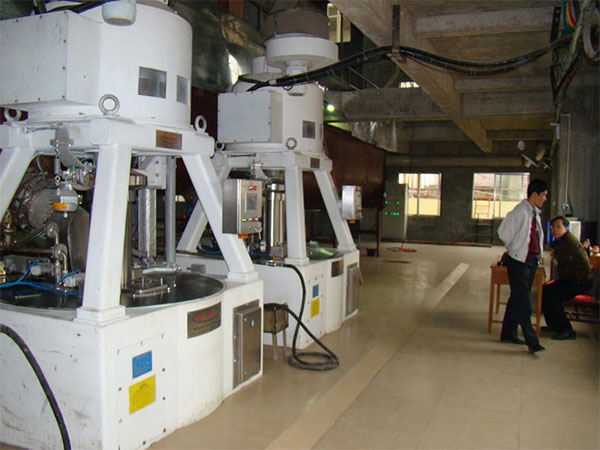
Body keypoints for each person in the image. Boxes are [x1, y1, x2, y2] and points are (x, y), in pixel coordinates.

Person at [497, 178, 547, 354]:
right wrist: (514, 249)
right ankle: (532, 342)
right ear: (535, 195)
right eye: (544, 195)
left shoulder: (534, 213)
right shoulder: (520, 212)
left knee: (516, 298)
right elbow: (503, 233)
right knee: (524, 302)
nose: (545, 199)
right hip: (519, 262)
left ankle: (508, 334)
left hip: (530, 261)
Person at [541, 216, 593, 340]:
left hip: (580, 280)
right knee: (545, 291)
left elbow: (562, 263)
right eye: (552, 227)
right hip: (570, 278)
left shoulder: (568, 242)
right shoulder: (561, 241)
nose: (554, 230)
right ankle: (554, 325)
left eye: (558, 227)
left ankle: (567, 330)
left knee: (554, 297)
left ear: (566, 228)